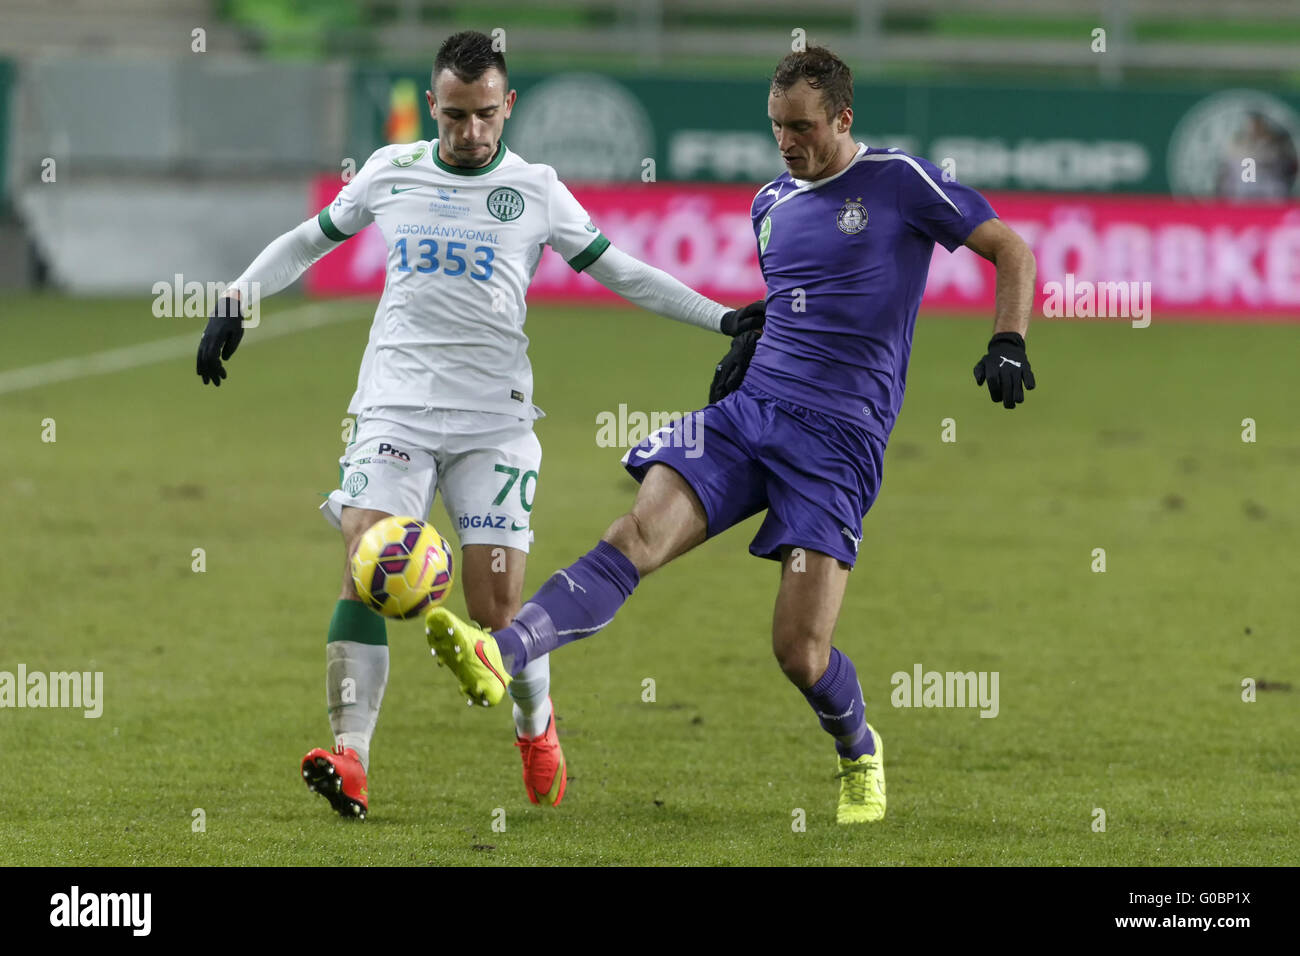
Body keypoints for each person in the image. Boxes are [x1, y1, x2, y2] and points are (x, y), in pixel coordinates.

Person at [424, 45, 1038, 824]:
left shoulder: (898, 182)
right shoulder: (770, 203)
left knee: (799, 653)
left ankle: (858, 749)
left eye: (804, 127)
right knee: (636, 532)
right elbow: (797, 301)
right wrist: (749, 346)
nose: (787, 142)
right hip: (751, 415)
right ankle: (502, 652)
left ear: (843, 120)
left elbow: (1010, 250)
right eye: (777, 126)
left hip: (838, 446)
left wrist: (1008, 338)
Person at [194, 31, 765, 820]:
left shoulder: (536, 190)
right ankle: (351, 758)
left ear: (509, 107)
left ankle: (536, 728)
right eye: (455, 116)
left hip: (493, 420)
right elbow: (307, 240)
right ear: (433, 106)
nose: (469, 134)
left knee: (495, 608)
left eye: (485, 116)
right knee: (367, 559)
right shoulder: (392, 171)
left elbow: (621, 269)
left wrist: (724, 318)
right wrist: (237, 301)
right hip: (393, 403)